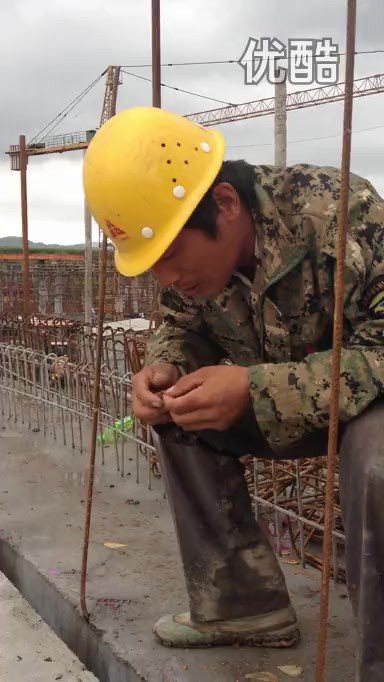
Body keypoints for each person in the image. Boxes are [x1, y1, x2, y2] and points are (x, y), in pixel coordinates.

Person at [84, 107, 384, 680]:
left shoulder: (345, 214)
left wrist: (256, 389)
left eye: (171, 257)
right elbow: (179, 324)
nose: (167, 278)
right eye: (154, 268)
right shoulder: (196, 269)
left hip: (367, 407)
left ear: (224, 204)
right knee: (178, 414)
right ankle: (245, 607)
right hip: (283, 406)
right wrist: (164, 368)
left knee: (378, 458)